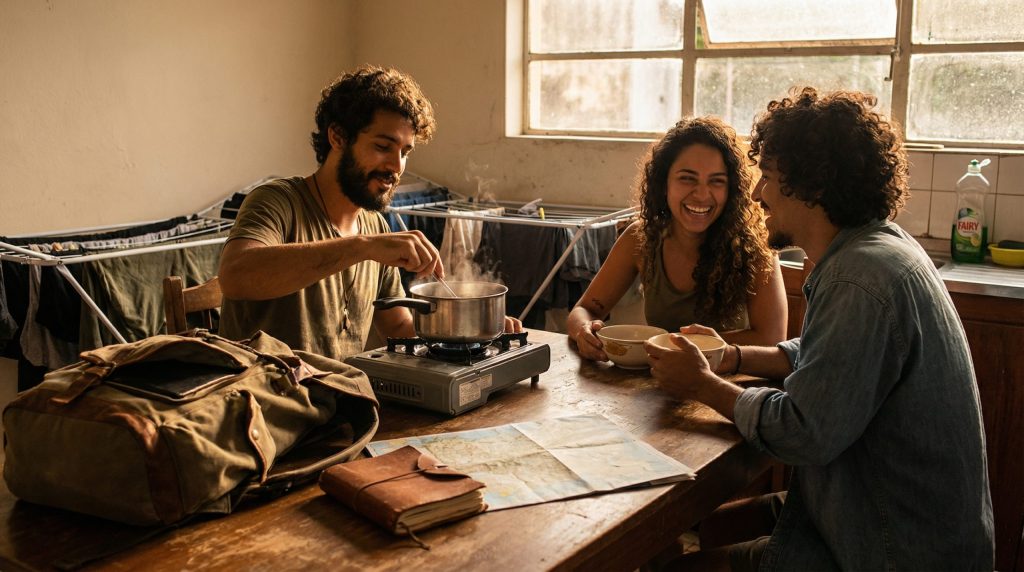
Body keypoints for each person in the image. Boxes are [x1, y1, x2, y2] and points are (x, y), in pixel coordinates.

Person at [645, 88, 994, 570]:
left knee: (673, 566)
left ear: (810, 186)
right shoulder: (878, 248)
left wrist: (701, 385)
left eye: (765, 177)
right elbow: (823, 354)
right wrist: (734, 357)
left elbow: (801, 430)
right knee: (709, 523)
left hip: (894, 549)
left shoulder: (859, 278)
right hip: (869, 507)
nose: (755, 193)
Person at [218, 65, 520, 360]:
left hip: (342, 399)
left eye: (404, 152)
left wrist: (475, 329)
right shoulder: (277, 201)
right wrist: (363, 247)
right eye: (382, 146)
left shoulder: (374, 225)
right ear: (337, 137)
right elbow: (235, 276)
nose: (396, 166)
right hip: (265, 401)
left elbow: (399, 327)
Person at [568, 117, 786, 363]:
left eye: (716, 181)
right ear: (663, 184)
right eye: (687, 178)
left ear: (733, 189)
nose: (702, 194)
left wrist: (692, 347)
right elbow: (585, 309)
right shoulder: (641, 238)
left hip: (731, 390)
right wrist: (583, 331)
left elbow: (772, 339)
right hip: (659, 386)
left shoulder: (755, 247)